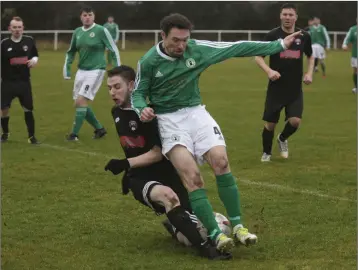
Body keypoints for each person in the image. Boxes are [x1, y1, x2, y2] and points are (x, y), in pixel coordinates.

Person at [131, 13, 301, 253]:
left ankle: (239, 226)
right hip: (169, 120)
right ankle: (214, 233)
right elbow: (137, 92)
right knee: (193, 177)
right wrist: (142, 108)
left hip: (196, 114)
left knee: (221, 162)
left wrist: (279, 45)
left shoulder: (197, 49)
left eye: (185, 40)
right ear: (162, 36)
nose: (181, 46)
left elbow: (236, 48)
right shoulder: (149, 61)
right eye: (176, 40)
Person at [104, 65, 231, 260]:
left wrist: (126, 163)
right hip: (140, 178)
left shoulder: (151, 115)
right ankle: (206, 250)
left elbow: (157, 153)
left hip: (168, 175)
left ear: (131, 85)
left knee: (189, 229)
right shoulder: (117, 113)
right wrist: (129, 170)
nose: (112, 92)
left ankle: (174, 226)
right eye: (109, 88)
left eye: (117, 87)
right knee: (168, 197)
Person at [255, 3, 314, 162]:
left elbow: (310, 56)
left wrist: (309, 73)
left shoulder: (304, 36)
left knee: (295, 121)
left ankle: (282, 138)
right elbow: (258, 56)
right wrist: (269, 71)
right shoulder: (273, 35)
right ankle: (267, 153)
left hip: (294, 88)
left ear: (295, 17)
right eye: (285, 14)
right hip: (276, 88)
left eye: (290, 15)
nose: (287, 17)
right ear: (280, 16)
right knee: (270, 124)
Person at [63, 6, 121, 141]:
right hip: (81, 71)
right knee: (79, 103)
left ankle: (74, 135)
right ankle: (100, 129)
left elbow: (113, 49)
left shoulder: (101, 30)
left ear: (93, 17)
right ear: (81, 17)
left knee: (81, 101)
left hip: (96, 70)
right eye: (84, 15)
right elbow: (71, 51)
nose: (87, 17)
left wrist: (118, 70)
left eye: (89, 15)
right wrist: (67, 69)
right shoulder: (77, 32)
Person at [1, 16, 39, 144]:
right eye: (14, 27)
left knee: (28, 109)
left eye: (19, 27)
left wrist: (34, 60)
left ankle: (31, 137)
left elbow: (35, 54)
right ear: (9, 29)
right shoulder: (4, 43)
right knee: (4, 109)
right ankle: (5, 133)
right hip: (7, 82)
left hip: (24, 82)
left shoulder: (29, 40)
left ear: (23, 28)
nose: (17, 30)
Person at [342, 20, 357, 93]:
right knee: (355, 71)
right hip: (355, 54)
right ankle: (356, 87)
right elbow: (347, 38)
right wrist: (345, 45)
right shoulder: (353, 29)